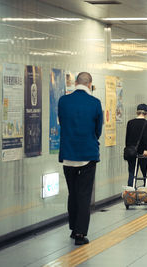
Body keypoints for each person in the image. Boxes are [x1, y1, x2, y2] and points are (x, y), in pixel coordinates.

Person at [58, 72, 103, 245]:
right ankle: (80, 234)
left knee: (73, 193)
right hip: (87, 155)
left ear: (76, 83)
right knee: (84, 195)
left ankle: (72, 227)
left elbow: (62, 122)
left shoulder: (63, 101)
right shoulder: (95, 103)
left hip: (68, 156)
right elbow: (98, 130)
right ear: (90, 84)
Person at [125, 104, 147, 188]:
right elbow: (146, 138)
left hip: (131, 151)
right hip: (144, 152)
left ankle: (130, 193)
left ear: (137, 112)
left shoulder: (130, 123)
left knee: (132, 173)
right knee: (146, 173)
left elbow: (127, 138)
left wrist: (129, 149)